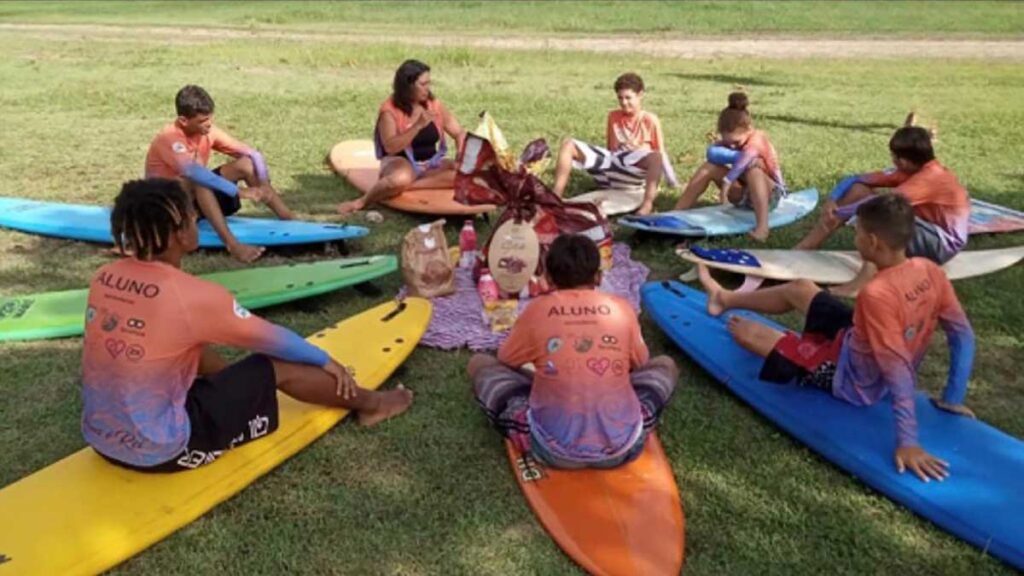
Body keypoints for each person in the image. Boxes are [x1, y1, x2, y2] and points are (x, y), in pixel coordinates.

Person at [82, 179, 412, 472]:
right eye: (192, 215)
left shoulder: (103, 277)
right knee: (276, 365)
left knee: (187, 344)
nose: (196, 219)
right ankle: (374, 405)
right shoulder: (194, 297)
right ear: (180, 231)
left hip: (101, 441)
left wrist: (236, 386)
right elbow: (274, 340)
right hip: (166, 450)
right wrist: (324, 359)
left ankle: (240, 393)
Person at [697, 193, 975, 483]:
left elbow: (898, 370)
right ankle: (724, 298)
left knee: (746, 332)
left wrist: (908, 443)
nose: (855, 239)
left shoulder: (876, 294)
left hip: (851, 379)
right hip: (855, 338)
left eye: (857, 232)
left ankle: (786, 342)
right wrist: (952, 397)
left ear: (873, 242)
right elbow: (963, 335)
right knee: (800, 287)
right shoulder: (931, 271)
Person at [469, 234, 678, 469]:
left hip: (550, 448)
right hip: (624, 447)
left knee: (480, 363)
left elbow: (506, 359)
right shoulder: (622, 308)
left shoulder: (537, 310)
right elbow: (641, 363)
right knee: (665, 365)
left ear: (547, 278)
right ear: (598, 276)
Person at [795, 124, 970, 296]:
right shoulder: (912, 169)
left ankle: (861, 282)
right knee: (859, 189)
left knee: (884, 215)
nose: (892, 161)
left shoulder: (930, 178)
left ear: (903, 161)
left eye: (894, 157)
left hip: (942, 244)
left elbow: (882, 203)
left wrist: (839, 213)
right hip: (926, 228)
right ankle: (807, 246)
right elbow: (855, 179)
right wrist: (831, 200)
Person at [145, 85, 294, 263]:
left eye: (210, 118)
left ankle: (288, 217)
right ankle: (233, 245)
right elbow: (194, 172)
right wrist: (238, 191)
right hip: (165, 210)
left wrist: (262, 183)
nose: (209, 123)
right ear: (183, 121)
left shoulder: (207, 131)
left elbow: (253, 155)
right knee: (199, 180)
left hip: (193, 203)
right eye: (203, 120)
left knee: (245, 164)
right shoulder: (169, 138)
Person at [337, 59, 465, 215]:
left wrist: (460, 156)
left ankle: (409, 186)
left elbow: (459, 133)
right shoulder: (389, 111)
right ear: (408, 86)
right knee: (400, 179)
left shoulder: (434, 105)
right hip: (399, 162)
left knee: (467, 175)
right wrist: (417, 126)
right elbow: (390, 147)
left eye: (429, 83)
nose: (427, 88)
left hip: (430, 164)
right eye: (423, 84)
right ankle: (362, 202)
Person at [550, 72, 679, 216]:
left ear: (640, 95)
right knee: (569, 144)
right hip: (614, 166)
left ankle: (647, 205)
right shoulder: (613, 116)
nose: (624, 102)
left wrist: (672, 181)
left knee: (655, 156)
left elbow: (660, 154)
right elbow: (611, 151)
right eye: (620, 98)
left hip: (634, 175)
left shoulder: (649, 120)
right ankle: (555, 197)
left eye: (628, 98)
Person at [674, 92, 786, 242]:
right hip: (744, 196)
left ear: (749, 129)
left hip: (769, 195)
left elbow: (744, 161)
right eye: (728, 143)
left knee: (754, 169)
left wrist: (726, 185)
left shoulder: (757, 139)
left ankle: (762, 228)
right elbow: (713, 154)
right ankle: (676, 213)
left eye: (737, 143)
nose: (732, 146)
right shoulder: (731, 140)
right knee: (709, 167)